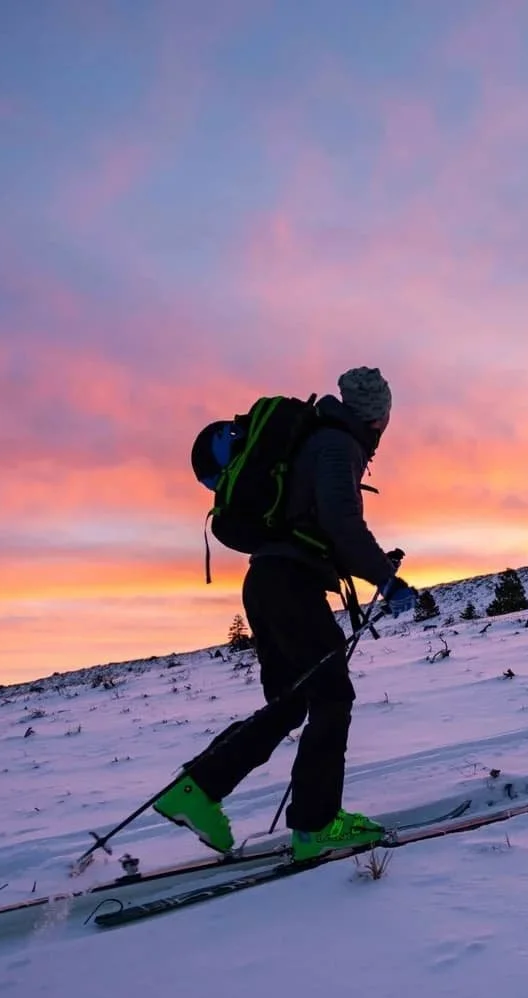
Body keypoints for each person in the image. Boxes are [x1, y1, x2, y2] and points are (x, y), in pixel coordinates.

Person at [154, 366, 417, 860]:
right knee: (331, 696)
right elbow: (341, 523)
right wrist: (386, 580)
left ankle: (197, 791)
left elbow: (313, 527)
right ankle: (317, 826)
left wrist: (369, 568)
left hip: (267, 582)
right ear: (378, 416)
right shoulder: (338, 444)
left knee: (291, 703)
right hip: (291, 587)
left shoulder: (316, 441)